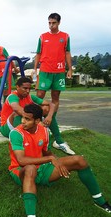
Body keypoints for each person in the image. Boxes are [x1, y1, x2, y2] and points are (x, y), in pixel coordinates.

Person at [8, 104, 111, 217]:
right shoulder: (16, 133)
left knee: (80, 160)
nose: (23, 121)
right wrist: (49, 159)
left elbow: (47, 153)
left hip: (41, 168)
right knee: (30, 168)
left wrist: (57, 161)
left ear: (37, 121)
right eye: (23, 117)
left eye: (27, 119)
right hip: (20, 171)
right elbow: (21, 160)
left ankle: (99, 201)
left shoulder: (44, 131)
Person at [0, 77, 75, 155]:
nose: (27, 91)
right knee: (19, 113)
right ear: (17, 87)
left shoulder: (30, 97)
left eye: (29, 89)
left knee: (45, 108)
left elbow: (51, 104)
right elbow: (17, 108)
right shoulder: (12, 97)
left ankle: (59, 141)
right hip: (7, 128)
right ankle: (25, 139)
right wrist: (37, 123)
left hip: (25, 123)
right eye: (25, 88)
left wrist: (49, 116)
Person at [33, 13, 74, 154]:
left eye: (54, 23)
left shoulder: (65, 36)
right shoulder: (43, 37)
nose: (51, 25)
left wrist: (70, 69)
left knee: (55, 98)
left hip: (59, 71)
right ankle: (38, 123)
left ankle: (50, 120)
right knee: (39, 97)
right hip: (44, 71)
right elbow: (38, 53)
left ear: (59, 23)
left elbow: (67, 53)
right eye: (49, 23)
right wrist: (34, 68)